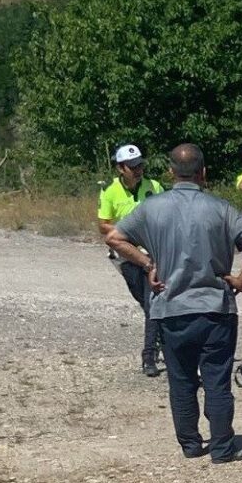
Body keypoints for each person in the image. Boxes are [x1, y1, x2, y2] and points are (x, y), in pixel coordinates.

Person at [105, 144, 242, 464]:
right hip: (215, 308)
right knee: (217, 382)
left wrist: (147, 264)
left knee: (181, 382)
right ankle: (222, 448)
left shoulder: (152, 208)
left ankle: (190, 444)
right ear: (203, 173)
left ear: (170, 173)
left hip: (170, 308)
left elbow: (114, 237)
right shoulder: (220, 208)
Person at [97, 144, 164, 377]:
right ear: (121, 168)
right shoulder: (110, 191)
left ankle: (149, 356)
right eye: (132, 167)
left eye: (140, 165)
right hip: (126, 253)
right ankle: (161, 339)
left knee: (152, 302)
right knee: (145, 301)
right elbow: (103, 225)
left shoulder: (154, 186)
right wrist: (128, 233)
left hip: (152, 253)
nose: (138, 170)